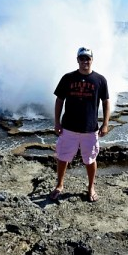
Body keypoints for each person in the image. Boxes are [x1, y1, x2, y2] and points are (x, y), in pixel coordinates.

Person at [50, 47, 110, 202]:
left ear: (92, 60)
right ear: (77, 60)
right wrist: (57, 122)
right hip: (68, 127)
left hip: (90, 129)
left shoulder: (100, 80)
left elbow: (106, 102)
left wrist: (105, 124)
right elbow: (59, 101)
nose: (85, 61)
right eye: (82, 58)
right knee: (63, 157)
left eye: (88, 58)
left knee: (90, 159)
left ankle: (91, 188)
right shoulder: (67, 78)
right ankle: (59, 185)